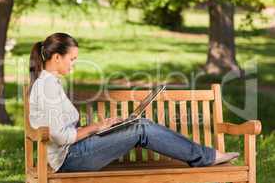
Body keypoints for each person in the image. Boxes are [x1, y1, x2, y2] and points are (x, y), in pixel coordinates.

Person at [28, 32, 239, 173]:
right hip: (69, 159)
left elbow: (61, 129)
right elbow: (59, 135)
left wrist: (102, 128)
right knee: (141, 129)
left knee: (139, 125)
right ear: (56, 57)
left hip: (73, 152)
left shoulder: (49, 83)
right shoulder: (47, 86)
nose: (73, 65)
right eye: (71, 59)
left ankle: (205, 155)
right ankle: (206, 157)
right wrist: (96, 127)